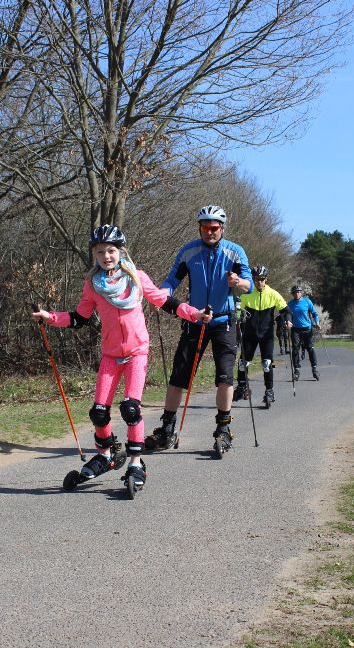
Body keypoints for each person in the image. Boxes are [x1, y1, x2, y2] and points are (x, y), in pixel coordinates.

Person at [32, 224, 207, 491]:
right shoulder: (93, 285)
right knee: (98, 412)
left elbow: (165, 302)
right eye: (100, 251)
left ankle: (136, 462)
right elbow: (79, 318)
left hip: (137, 353)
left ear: (120, 251)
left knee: (131, 408)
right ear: (95, 254)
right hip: (111, 355)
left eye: (111, 250)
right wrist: (50, 317)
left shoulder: (136, 277)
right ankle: (107, 455)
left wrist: (195, 314)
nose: (106, 256)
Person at [148, 205, 252, 455]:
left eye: (214, 227)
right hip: (195, 321)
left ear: (222, 228)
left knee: (225, 377)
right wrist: (162, 294)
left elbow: (249, 285)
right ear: (200, 228)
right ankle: (167, 429)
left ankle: (223, 429)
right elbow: (172, 279)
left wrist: (237, 281)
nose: (209, 232)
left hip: (224, 322)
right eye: (205, 227)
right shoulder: (189, 251)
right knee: (178, 377)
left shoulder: (235, 252)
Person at [234, 265, 291, 407]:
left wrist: (287, 320)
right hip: (250, 334)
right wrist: (238, 316)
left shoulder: (273, 294)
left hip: (266, 335)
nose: (259, 282)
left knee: (267, 364)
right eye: (256, 279)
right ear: (253, 279)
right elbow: (238, 311)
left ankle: (269, 391)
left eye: (262, 279)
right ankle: (241, 387)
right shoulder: (247, 294)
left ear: (266, 279)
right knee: (242, 364)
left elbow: (285, 310)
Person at [287, 285, 321, 381]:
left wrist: (317, 322)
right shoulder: (290, 304)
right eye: (295, 292)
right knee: (295, 349)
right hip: (295, 329)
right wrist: (286, 322)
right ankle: (296, 370)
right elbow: (287, 315)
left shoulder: (307, 301)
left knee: (310, 349)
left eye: (298, 292)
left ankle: (314, 369)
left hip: (307, 329)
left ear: (301, 293)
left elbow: (314, 313)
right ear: (292, 294)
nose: (297, 294)